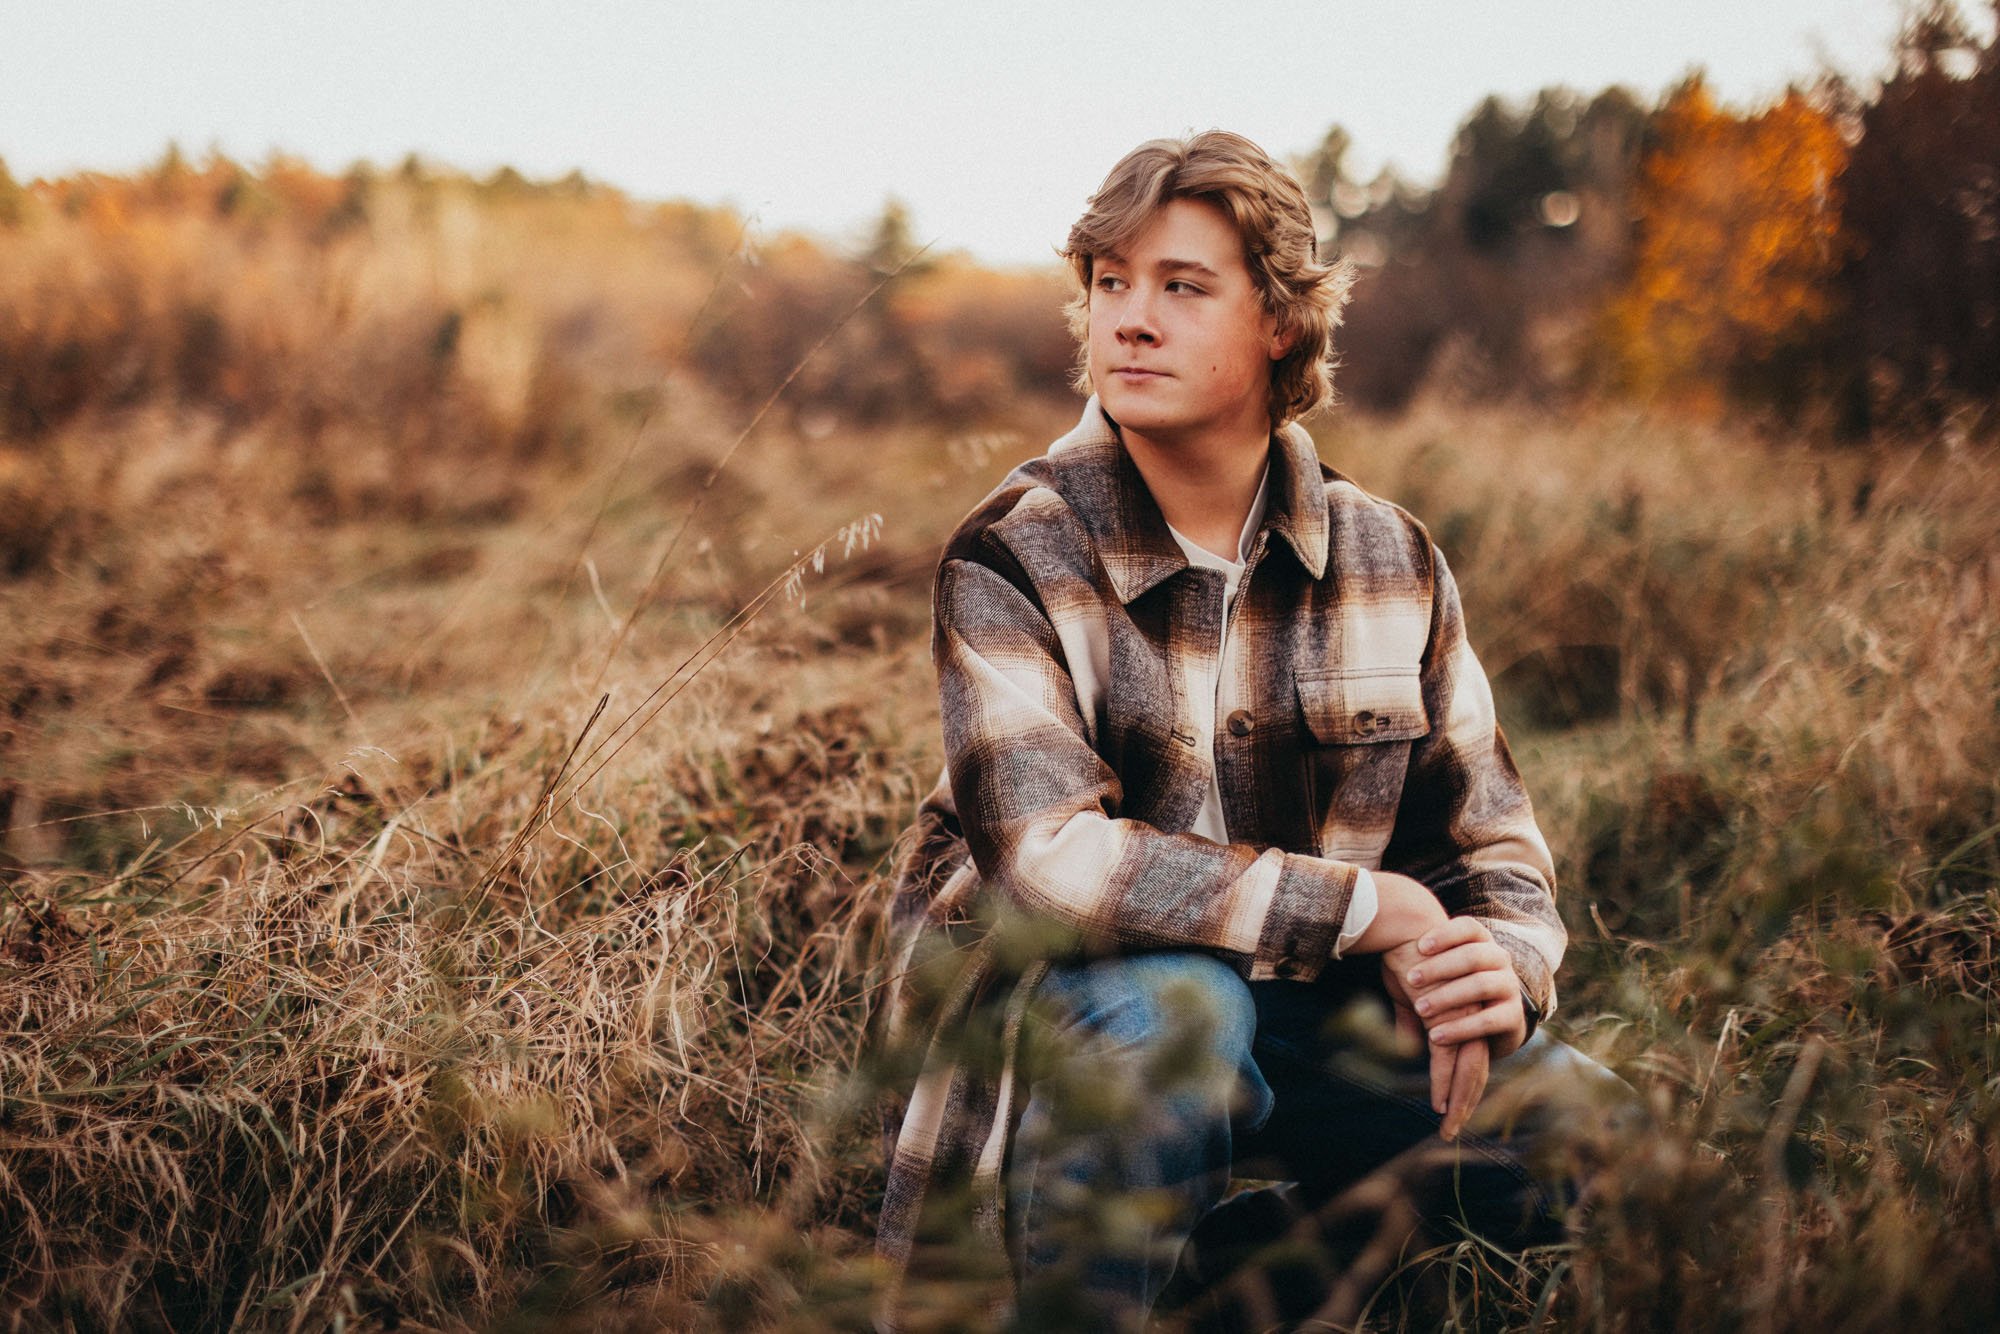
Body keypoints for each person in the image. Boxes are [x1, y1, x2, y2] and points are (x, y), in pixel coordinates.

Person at [873, 130, 1625, 1331]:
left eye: (1180, 286)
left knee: (1602, 1142)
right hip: (1074, 1004)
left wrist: (1502, 962)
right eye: (1109, 283)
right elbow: (1048, 865)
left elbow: (1493, 842)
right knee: (1182, 1017)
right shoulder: (1014, 548)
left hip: (1318, 1003)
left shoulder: (1390, 557)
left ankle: (1242, 1276)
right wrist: (1362, 907)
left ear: (1279, 319)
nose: (1128, 320)